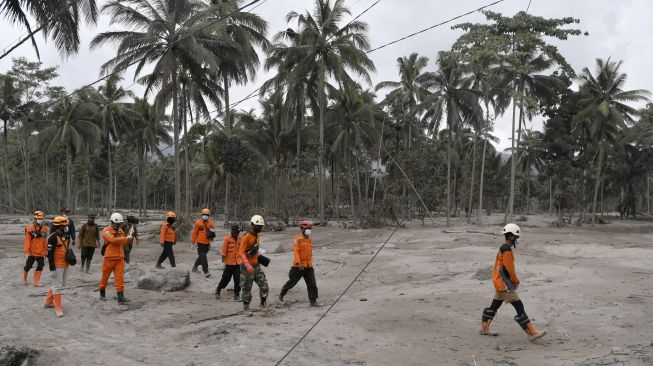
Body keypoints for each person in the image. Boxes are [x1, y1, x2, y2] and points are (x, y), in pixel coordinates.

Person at [479, 223, 547, 341]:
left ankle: (484, 328)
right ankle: (532, 333)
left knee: (495, 305)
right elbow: (510, 269)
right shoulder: (507, 250)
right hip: (505, 284)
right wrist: (515, 281)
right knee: (519, 306)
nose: (517, 239)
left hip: (499, 282)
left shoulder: (502, 247)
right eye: (516, 236)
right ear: (511, 236)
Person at [279, 220, 318, 306]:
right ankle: (282, 294)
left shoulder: (309, 240)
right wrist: (299, 263)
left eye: (309, 228)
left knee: (312, 284)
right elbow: (296, 252)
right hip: (299, 266)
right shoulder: (298, 239)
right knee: (291, 283)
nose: (308, 230)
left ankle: (313, 301)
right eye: (307, 228)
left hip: (308, 266)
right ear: (302, 229)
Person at [99, 213, 134, 304]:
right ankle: (102, 292)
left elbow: (123, 242)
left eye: (119, 224)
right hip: (109, 257)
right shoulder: (106, 230)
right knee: (105, 277)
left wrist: (129, 238)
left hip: (120, 258)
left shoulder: (121, 231)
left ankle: (120, 298)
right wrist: (125, 239)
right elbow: (112, 240)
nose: (118, 225)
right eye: (116, 224)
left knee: (120, 278)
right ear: (111, 222)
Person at [238, 215, 269, 313]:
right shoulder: (246, 237)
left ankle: (263, 305)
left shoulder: (257, 236)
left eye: (261, 226)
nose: (259, 228)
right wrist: (247, 265)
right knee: (247, 288)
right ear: (252, 225)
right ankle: (246, 308)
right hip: (247, 268)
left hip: (256, 266)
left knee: (264, 286)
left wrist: (260, 256)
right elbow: (241, 252)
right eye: (258, 226)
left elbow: (255, 249)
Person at [45, 216, 71, 317]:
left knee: (60, 284)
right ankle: (58, 308)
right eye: (64, 226)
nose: (66, 227)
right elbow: (50, 255)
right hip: (57, 265)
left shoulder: (66, 235)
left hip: (65, 264)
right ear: (59, 226)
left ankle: (48, 302)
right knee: (57, 286)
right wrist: (52, 269)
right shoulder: (52, 238)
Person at [215, 224, 242, 301]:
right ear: (232, 231)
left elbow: (242, 250)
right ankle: (218, 290)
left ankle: (236, 295)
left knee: (238, 280)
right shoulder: (227, 239)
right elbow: (223, 251)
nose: (237, 233)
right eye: (236, 231)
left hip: (237, 264)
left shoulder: (240, 239)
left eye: (238, 232)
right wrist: (223, 263)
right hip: (229, 264)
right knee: (225, 279)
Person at [22, 210, 48, 287]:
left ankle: (36, 282)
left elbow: (45, 241)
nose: (40, 220)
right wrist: (26, 251)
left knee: (40, 266)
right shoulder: (29, 229)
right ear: (35, 219)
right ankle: (24, 278)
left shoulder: (45, 229)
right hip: (31, 252)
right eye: (38, 219)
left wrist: (46, 252)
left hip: (40, 252)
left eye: (41, 219)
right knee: (28, 266)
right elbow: (27, 240)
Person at [191, 208, 216, 277]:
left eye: (207, 214)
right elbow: (195, 233)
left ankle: (194, 267)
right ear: (202, 215)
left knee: (201, 257)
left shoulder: (211, 223)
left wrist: (210, 242)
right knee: (203, 257)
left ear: (208, 215)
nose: (205, 215)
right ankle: (206, 271)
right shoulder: (198, 222)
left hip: (207, 244)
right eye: (204, 214)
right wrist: (193, 243)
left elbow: (212, 234)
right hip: (200, 243)